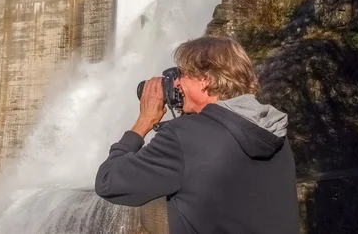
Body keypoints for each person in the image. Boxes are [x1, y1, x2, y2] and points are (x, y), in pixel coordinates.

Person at [95, 36, 300, 234]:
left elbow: (108, 182)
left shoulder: (184, 136)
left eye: (182, 75)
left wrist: (144, 121)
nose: (176, 84)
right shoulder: (274, 128)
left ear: (205, 80)